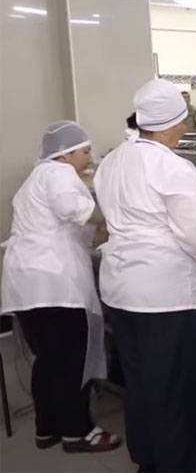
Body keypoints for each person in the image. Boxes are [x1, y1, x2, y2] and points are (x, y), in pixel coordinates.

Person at [95, 79, 196, 472]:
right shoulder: (172, 167)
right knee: (175, 392)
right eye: (182, 122)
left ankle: (147, 461)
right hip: (167, 298)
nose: (184, 130)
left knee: (142, 385)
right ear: (168, 123)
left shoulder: (114, 159)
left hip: (121, 290)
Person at [1, 121, 121, 453]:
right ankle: (76, 432)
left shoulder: (36, 178)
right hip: (52, 283)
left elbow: (68, 228)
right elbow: (76, 211)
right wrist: (108, 217)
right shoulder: (58, 175)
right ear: (64, 154)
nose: (89, 157)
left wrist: (97, 229)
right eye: (84, 152)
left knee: (48, 359)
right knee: (70, 359)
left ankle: (47, 428)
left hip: (27, 283)